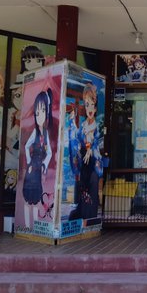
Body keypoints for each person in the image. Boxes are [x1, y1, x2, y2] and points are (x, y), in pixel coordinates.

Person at [68, 82, 103, 221]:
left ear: (96, 107)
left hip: (93, 163)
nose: (90, 108)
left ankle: (90, 215)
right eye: (87, 104)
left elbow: (97, 143)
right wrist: (72, 123)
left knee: (92, 186)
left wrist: (91, 149)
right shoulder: (82, 126)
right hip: (84, 162)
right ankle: (82, 213)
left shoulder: (98, 125)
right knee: (84, 189)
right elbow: (76, 140)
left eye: (92, 105)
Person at [22, 88, 53, 228]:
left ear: (47, 112)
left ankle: (33, 226)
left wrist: (44, 164)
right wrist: (29, 161)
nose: (40, 116)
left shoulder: (46, 133)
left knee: (36, 197)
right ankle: (27, 226)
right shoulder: (35, 132)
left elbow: (50, 152)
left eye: (43, 111)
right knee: (28, 197)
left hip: (39, 168)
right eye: (37, 112)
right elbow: (26, 146)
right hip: (32, 168)